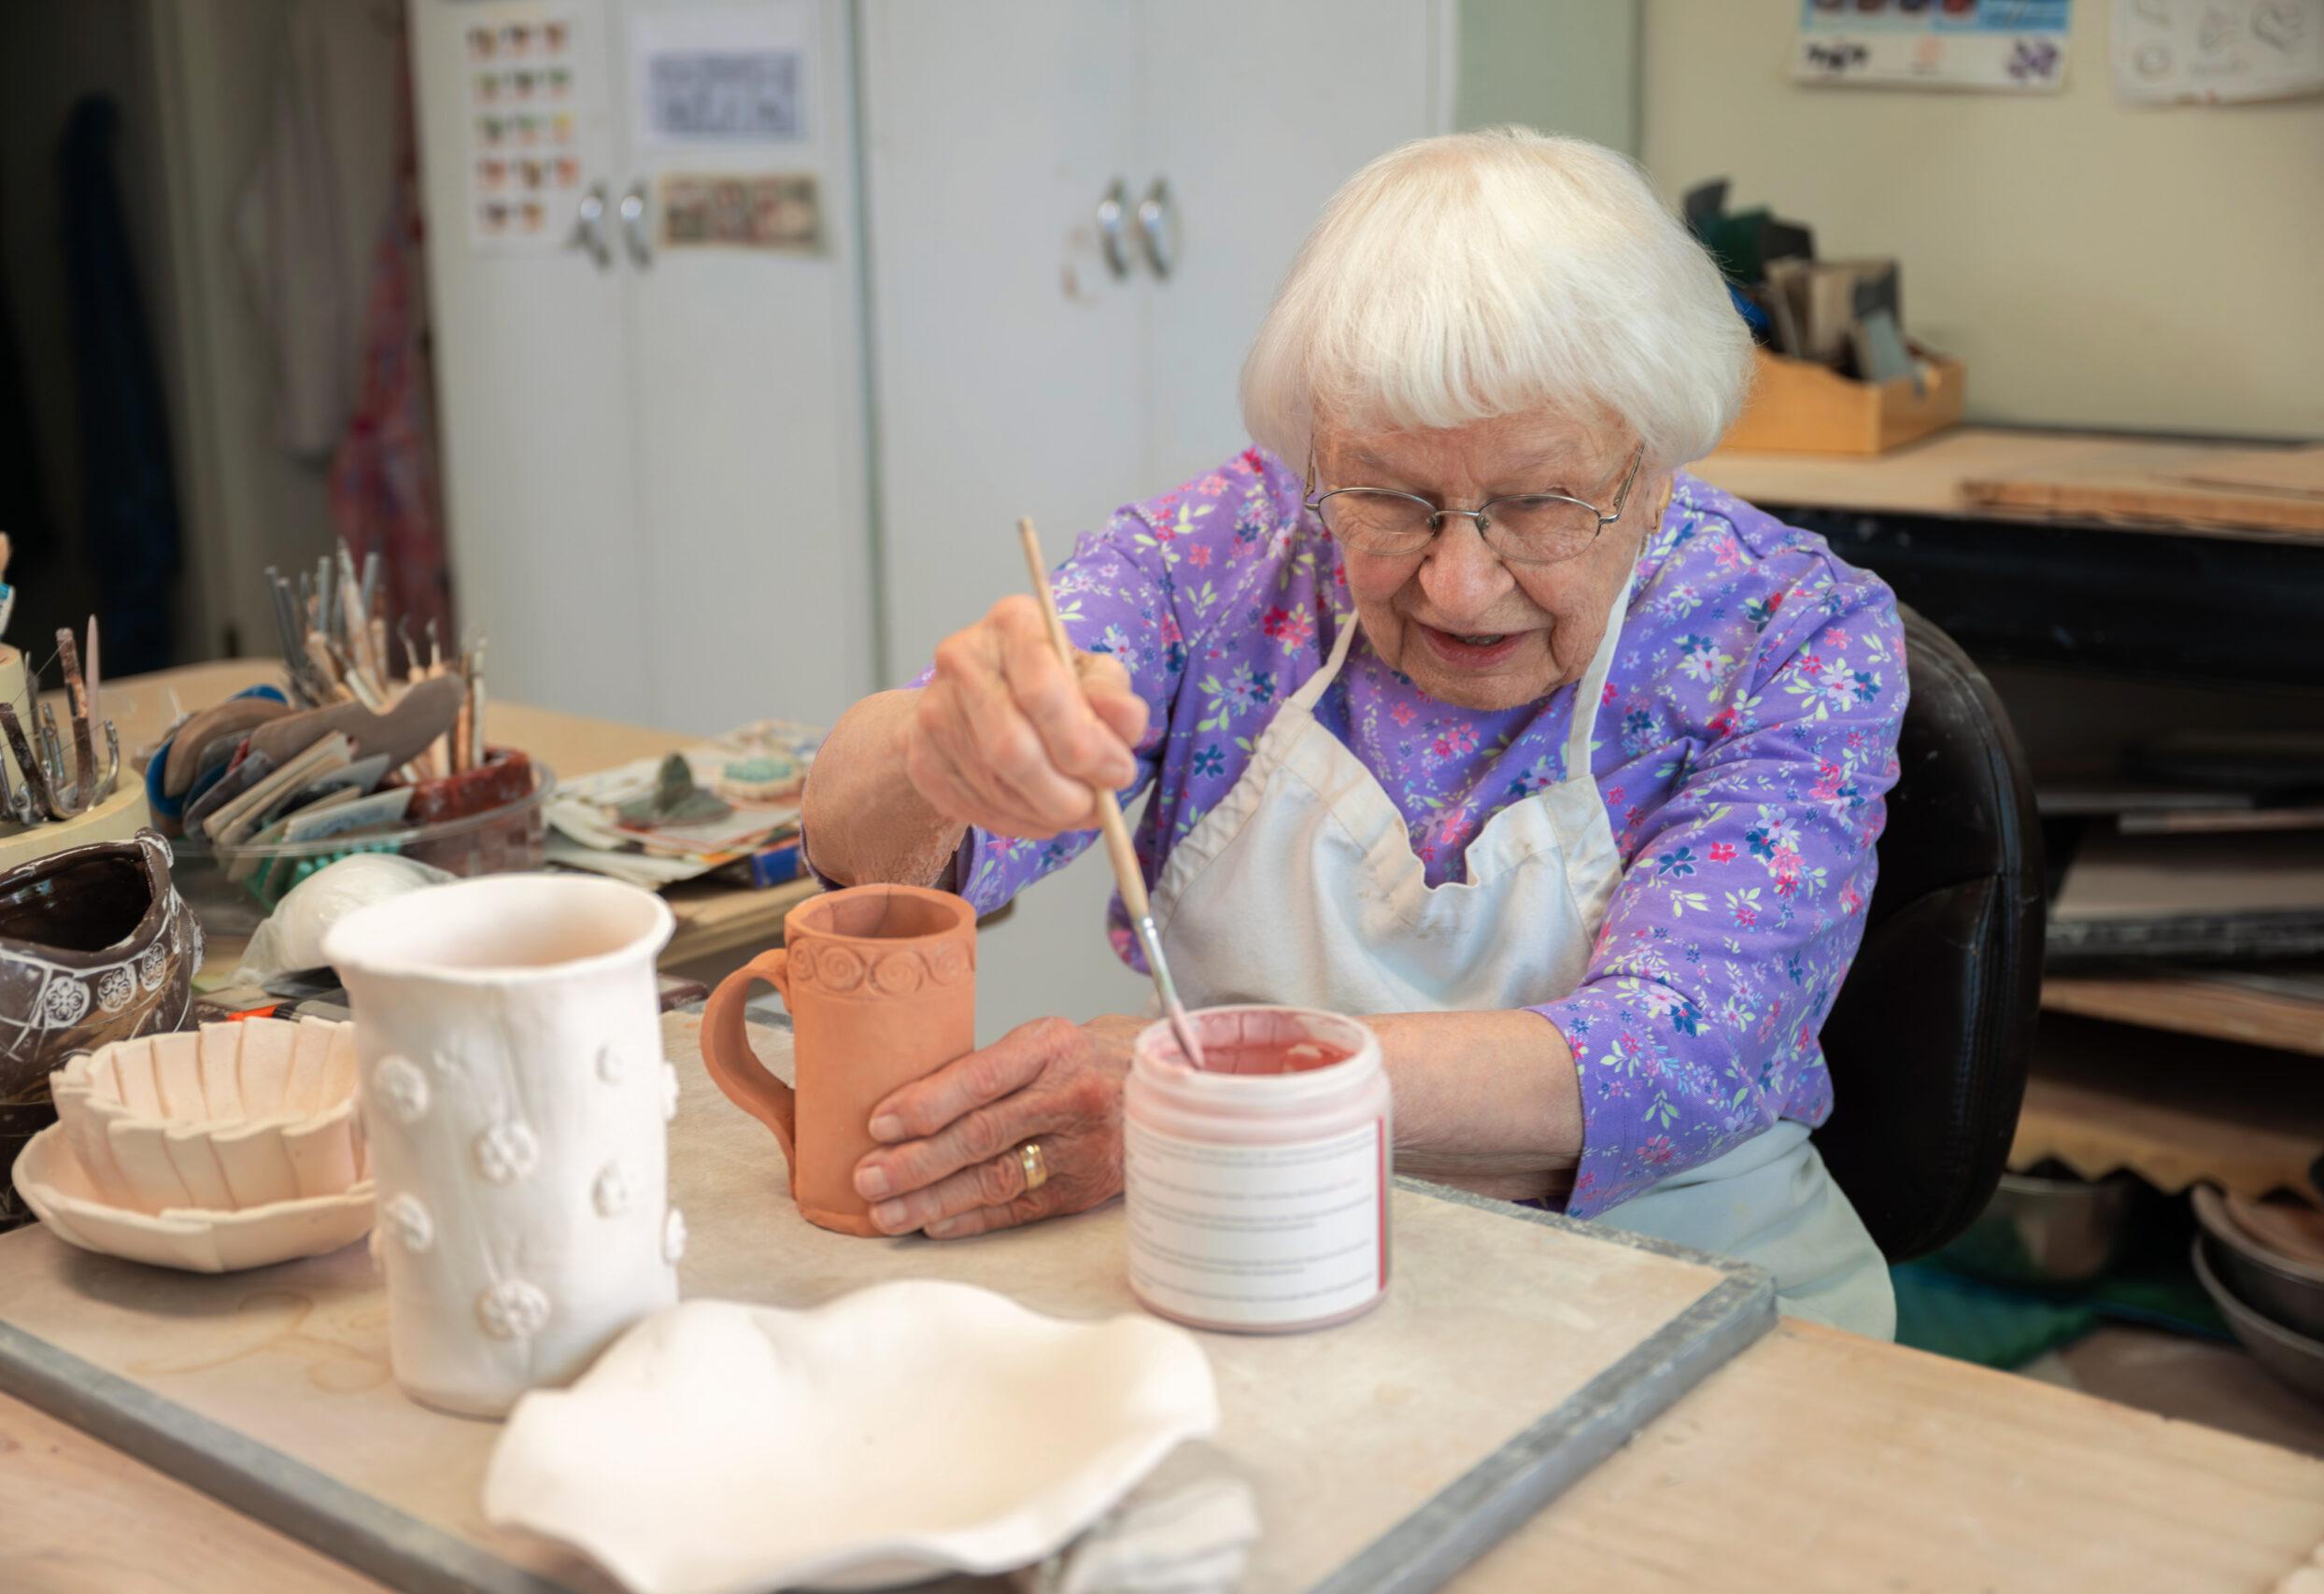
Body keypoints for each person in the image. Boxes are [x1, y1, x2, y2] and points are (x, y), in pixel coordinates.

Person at [801, 127, 1906, 1335]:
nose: (1458, 582)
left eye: (1538, 503)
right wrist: (935, 749)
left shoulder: (1789, 627)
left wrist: (1207, 1090)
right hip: (1260, 1253)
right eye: (1389, 497)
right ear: (1315, 452)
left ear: (1655, 469)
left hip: (1690, 1273)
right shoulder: (1221, 557)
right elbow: (875, 854)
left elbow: (1680, 1049)